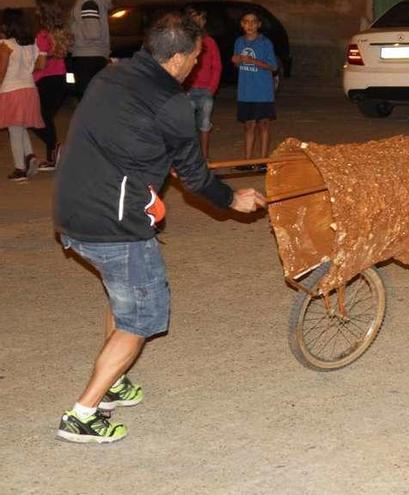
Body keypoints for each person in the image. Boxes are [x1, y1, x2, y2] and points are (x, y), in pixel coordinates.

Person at [53, 12, 266, 444]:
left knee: (120, 293)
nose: (194, 66)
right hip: (114, 226)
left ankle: (113, 382)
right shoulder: (172, 104)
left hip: (70, 213)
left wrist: (155, 163)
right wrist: (234, 199)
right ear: (179, 58)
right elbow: (196, 176)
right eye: (195, 58)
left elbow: (130, 140)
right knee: (140, 318)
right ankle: (82, 414)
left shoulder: (112, 76)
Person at [0, 9, 46, 181]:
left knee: (14, 130)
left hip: (11, 90)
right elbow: (39, 66)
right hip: (29, 89)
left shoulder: (6, 45)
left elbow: (1, 72)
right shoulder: (32, 44)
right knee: (20, 127)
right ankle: (30, 157)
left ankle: (19, 169)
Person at [232, 10, 277, 166]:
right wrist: (236, 60)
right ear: (242, 24)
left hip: (262, 91)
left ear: (259, 24)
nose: (249, 25)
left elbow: (273, 66)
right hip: (245, 91)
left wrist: (253, 61)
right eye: (246, 21)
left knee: (263, 125)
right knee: (248, 126)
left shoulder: (265, 42)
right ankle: (248, 160)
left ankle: (263, 160)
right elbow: (239, 64)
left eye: (253, 22)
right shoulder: (239, 42)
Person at [33, 0, 72, 170]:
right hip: (60, 79)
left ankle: (54, 148)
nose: (35, 13)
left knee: (36, 119)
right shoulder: (61, 33)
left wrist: (28, 67)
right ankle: (52, 156)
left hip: (45, 80)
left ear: (43, 13)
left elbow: (41, 64)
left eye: (37, 11)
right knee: (46, 118)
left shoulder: (42, 36)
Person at [184, 5, 221, 160]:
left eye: (201, 18)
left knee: (205, 125)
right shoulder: (185, 41)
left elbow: (217, 66)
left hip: (205, 90)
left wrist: (212, 88)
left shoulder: (209, 42)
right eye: (194, 17)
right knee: (188, 126)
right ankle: (191, 159)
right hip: (189, 90)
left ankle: (205, 159)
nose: (198, 21)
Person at [69, 0, 111, 99]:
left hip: (86, 56)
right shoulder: (94, 2)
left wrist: (73, 31)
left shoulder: (88, 3)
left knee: (86, 100)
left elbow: (93, 33)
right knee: (96, 99)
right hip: (95, 55)